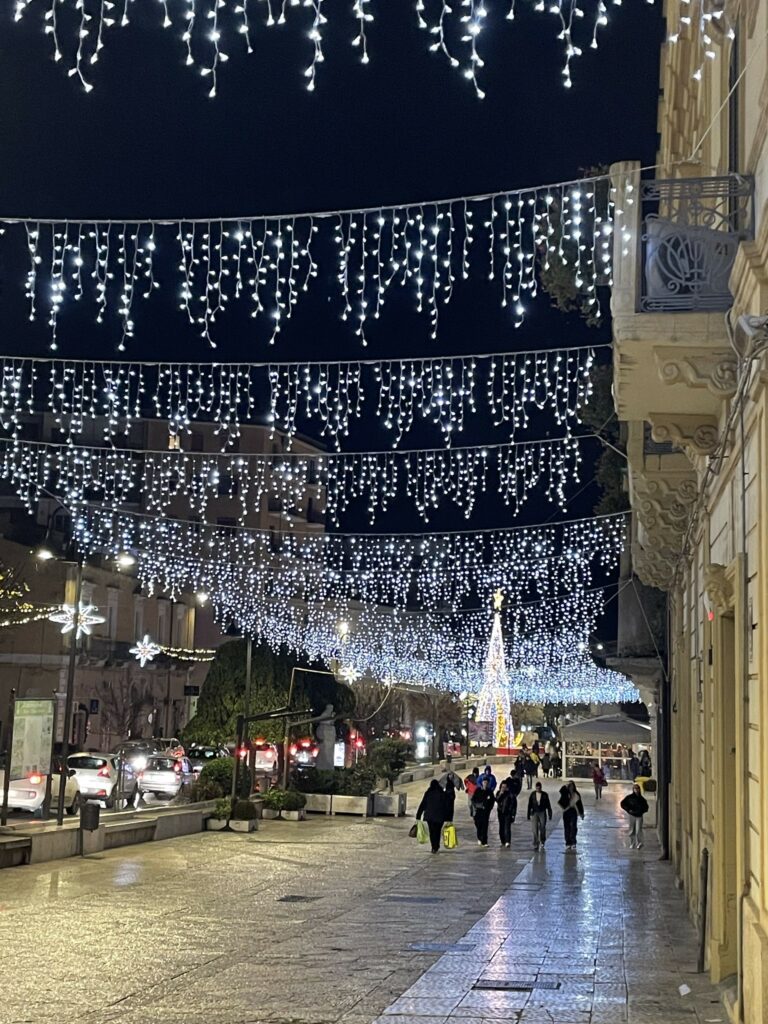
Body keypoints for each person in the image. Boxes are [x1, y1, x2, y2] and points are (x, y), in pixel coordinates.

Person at [415, 779, 446, 854]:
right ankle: (436, 845)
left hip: (430, 816)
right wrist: (448, 816)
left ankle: (433, 847)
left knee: (432, 832)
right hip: (439, 816)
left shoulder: (428, 793)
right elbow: (446, 805)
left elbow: (423, 804)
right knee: (437, 831)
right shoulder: (441, 793)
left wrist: (418, 815)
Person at [558, 781, 585, 851]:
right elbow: (561, 790)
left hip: (573, 811)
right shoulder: (565, 793)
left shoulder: (576, 794)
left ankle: (573, 842)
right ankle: (568, 843)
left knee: (573, 826)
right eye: (570, 786)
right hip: (566, 811)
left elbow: (579, 804)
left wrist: (581, 813)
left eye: (572, 786)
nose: (571, 787)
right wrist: (566, 785)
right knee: (567, 827)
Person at [621, 783, 649, 849]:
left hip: (639, 816)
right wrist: (628, 810)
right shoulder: (629, 797)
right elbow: (622, 803)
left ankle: (639, 843)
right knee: (631, 830)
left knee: (638, 830)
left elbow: (646, 807)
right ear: (633, 789)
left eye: (637, 788)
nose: (636, 790)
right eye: (635, 788)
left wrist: (641, 811)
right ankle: (632, 843)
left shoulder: (642, 799)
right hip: (632, 815)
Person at [527, 781, 552, 850]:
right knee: (535, 829)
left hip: (542, 812)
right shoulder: (532, 795)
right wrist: (528, 814)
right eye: (537, 788)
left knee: (542, 827)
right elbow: (529, 805)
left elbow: (548, 804)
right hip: (534, 812)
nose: (538, 789)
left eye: (539, 788)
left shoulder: (545, 795)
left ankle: (542, 840)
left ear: (541, 788)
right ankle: (535, 843)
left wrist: (550, 813)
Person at [471, 776, 496, 847]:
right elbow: (473, 800)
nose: (485, 783)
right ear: (482, 783)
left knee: (485, 827)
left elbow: (492, 801)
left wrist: (489, 809)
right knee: (479, 825)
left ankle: (484, 841)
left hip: (486, 812)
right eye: (484, 782)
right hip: (478, 811)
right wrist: (476, 806)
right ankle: (479, 838)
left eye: (486, 783)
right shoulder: (478, 790)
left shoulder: (489, 792)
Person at [496, 779, 517, 848]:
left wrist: (513, 814)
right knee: (501, 828)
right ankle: (503, 841)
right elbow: (497, 800)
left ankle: (507, 841)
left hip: (508, 813)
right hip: (500, 812)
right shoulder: (499, 793)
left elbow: (514, 805)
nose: (503, 788)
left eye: (505, 787)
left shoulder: (510, 794)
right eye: (502, 787)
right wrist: (500, 794)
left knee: (507, 827)